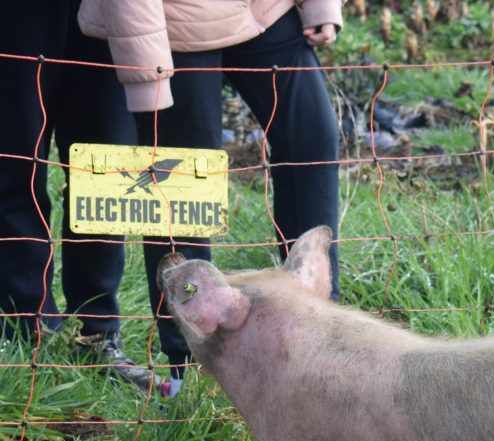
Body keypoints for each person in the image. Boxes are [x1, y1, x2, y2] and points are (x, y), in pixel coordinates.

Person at [78, 0, 343, 397]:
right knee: (183, 182)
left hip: (266, 10)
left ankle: (320, 339)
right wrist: (148, 73)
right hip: (173, 25)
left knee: (312, 140)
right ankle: (190, 367)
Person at [0, 2, 155, 392]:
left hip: (111, 8)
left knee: (106, 170)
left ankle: (98, 333)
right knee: (14, 163)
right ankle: (27, 330)